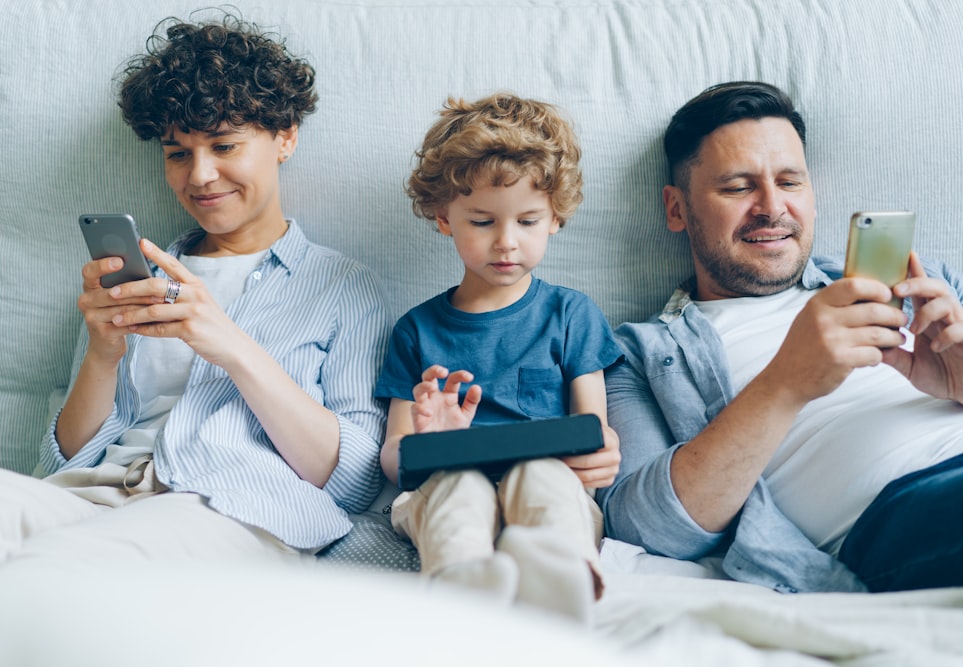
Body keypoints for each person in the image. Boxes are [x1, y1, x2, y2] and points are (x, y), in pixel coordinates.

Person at [0, 13, 391, 564]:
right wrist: (102, 354)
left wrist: (230, 345)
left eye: (224, 146)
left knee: (74, 562)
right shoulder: (144, 277)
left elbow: (353, 482)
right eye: (178, 153)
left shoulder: (343, 288)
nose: (200, 176)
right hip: (98, 494)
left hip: (228, 505)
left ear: (285, 138)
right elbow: (63, 461)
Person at [596, 81, 963, 594]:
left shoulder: (927, 281)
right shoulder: (635, 356)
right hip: (908, 512)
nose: (772, 207)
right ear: (677, 209)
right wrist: (788, 381)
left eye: (790, 181)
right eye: (738, 187)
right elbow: (645, 527)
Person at [376, 93, 622, 621]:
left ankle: (564, 583)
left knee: (541, 475)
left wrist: (602, 454)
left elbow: (593, 433)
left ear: (555, 218)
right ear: (445, 218)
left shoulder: (571, 314)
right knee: (459, 487)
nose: (506, 243)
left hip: (549, 484)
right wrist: (427, 442)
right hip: (442, 484)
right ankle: (462, 596)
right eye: (483, 222)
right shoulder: (416, 330)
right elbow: (395, 460)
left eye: (528, 222)